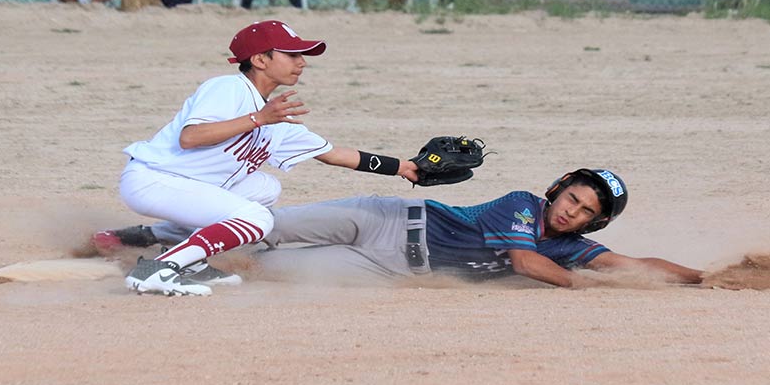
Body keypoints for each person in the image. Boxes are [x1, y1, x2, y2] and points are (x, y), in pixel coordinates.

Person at [116, 20, 420, 297]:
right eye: (291, 54)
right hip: (151, 180)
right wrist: (258, 118)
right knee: (256, 219)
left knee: (265, 189)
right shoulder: (229, 88)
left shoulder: (273, 117)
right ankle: (159, 268)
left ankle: (190, 260)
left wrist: (404, 167)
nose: (301, 62)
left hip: (182, 184)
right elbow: (191, 137)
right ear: (260, 60)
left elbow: (334, 154)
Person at [252, 168, 704, 288]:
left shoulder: (569, 248)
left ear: (596, 221)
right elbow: (525, 263)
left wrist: (706, 279)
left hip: (389, 270)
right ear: (558, 189)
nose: (572, 212)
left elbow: (635, 264)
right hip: (385, 219)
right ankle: (181, 233)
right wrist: (580, 285)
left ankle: (192, 268)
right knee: (265, 227)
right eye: (572, 198)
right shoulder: (522, 205)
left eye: (586, 211)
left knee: (267, 269)